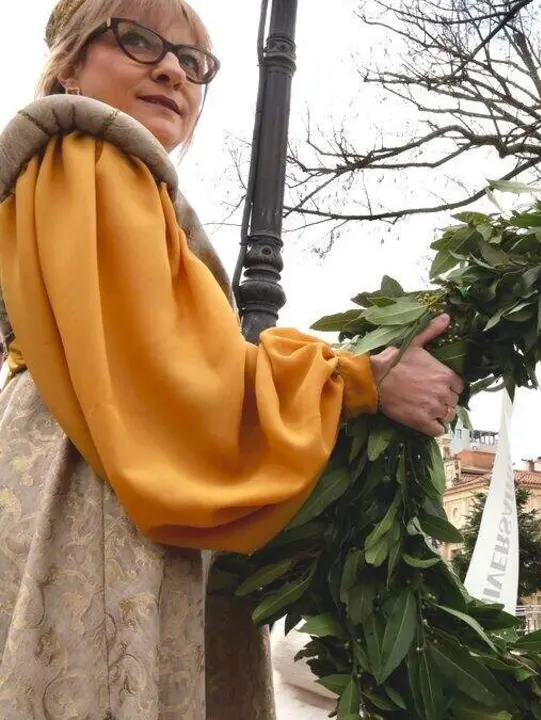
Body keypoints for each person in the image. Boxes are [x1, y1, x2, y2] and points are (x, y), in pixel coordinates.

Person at [0, 1, 464, 717]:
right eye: (138, 40)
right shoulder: (92, 151)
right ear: (68, 62)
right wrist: (359, 381)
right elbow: (176, 367)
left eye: (193, 62)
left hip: (85, 460)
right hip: (97, 490)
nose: (171, 70)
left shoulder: (76, 174)